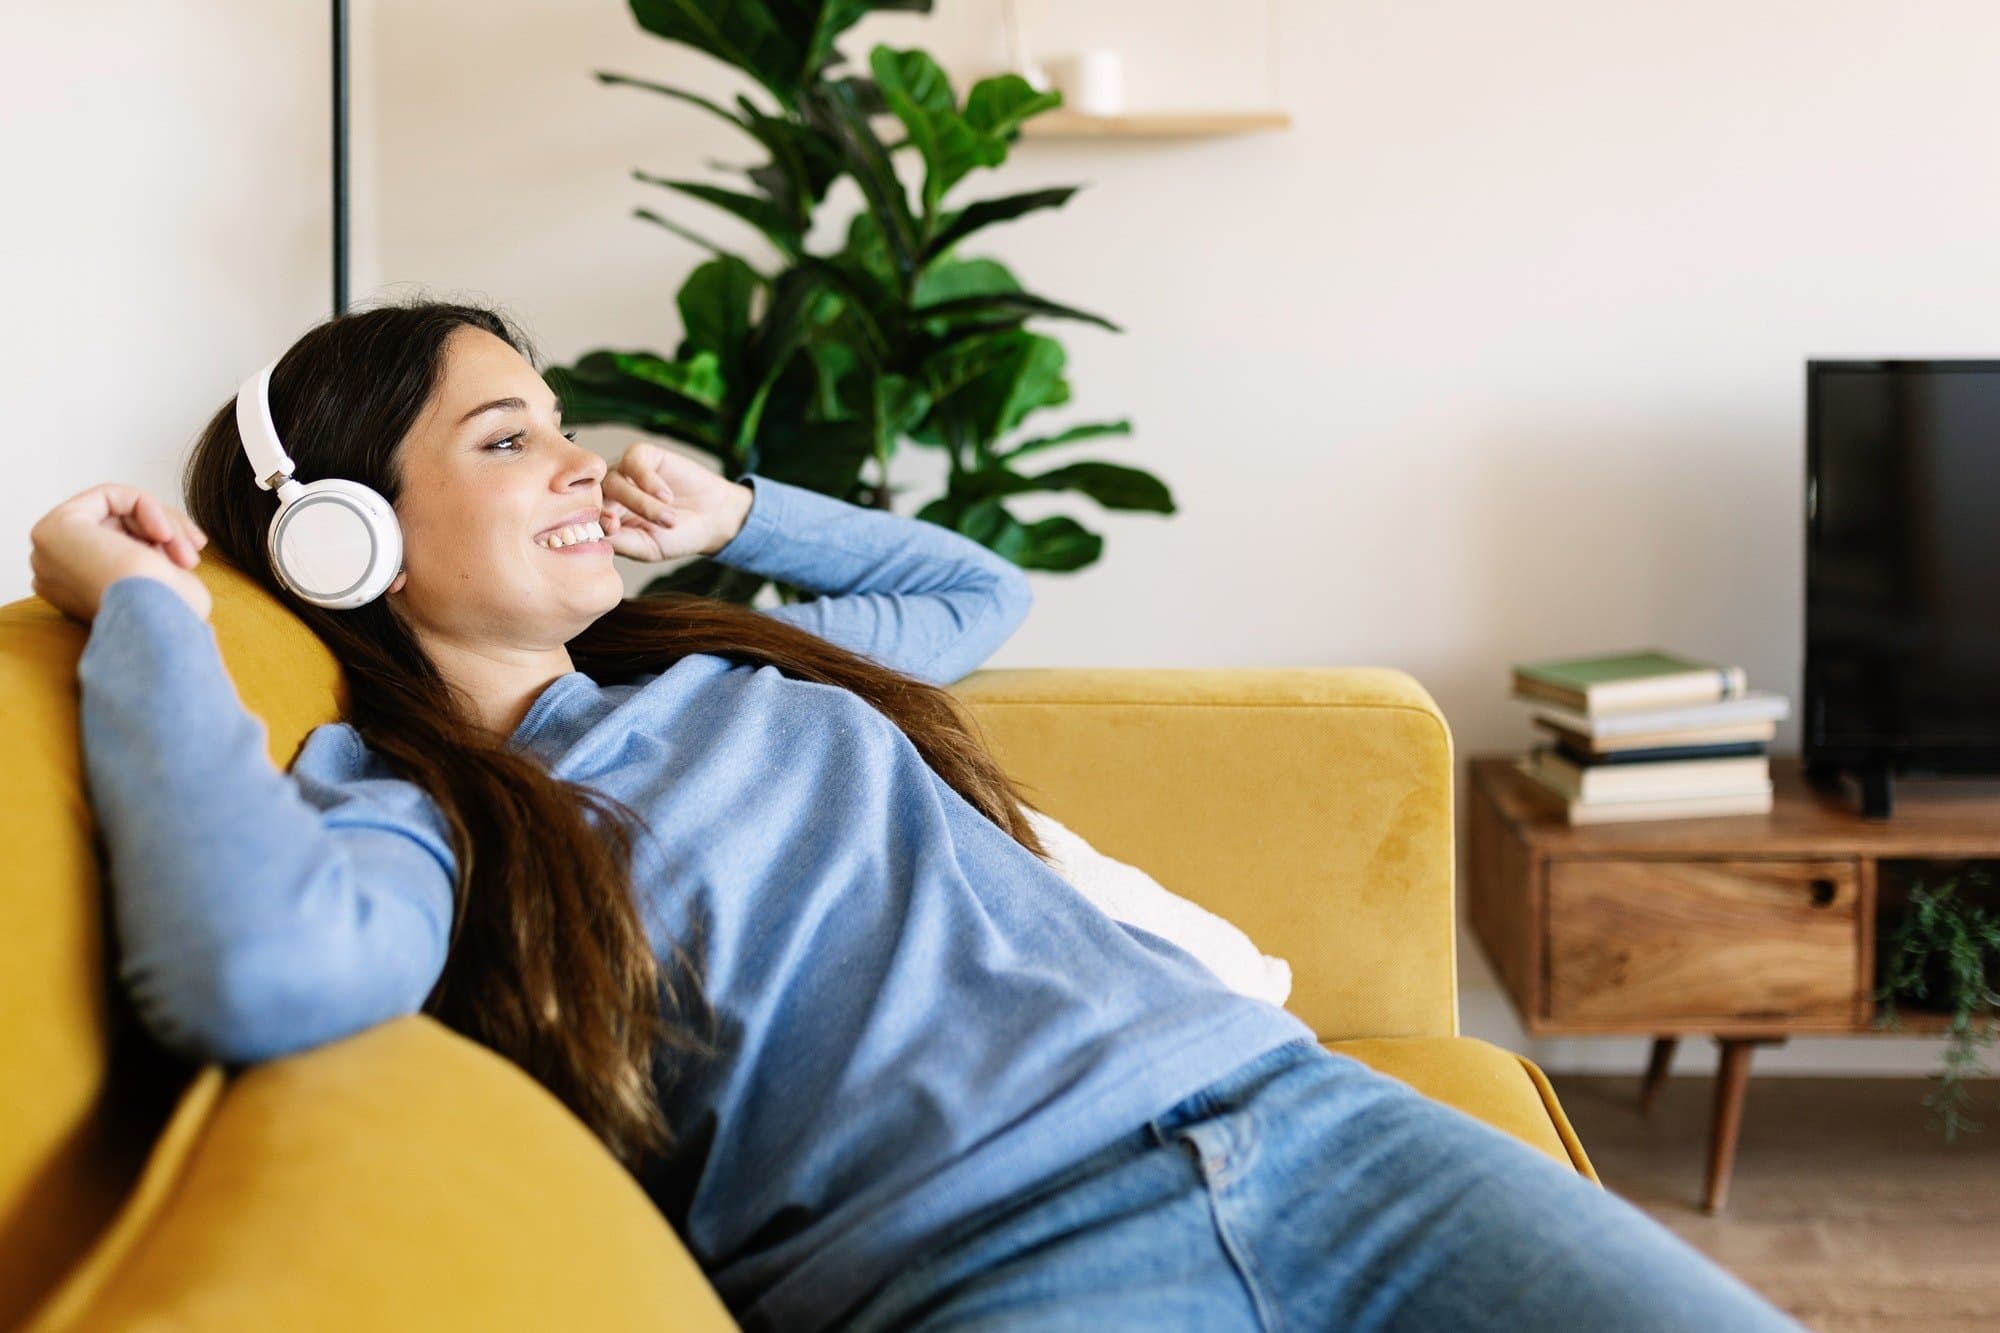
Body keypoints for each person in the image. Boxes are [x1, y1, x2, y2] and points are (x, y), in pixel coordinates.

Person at [29, 299, 1802, 1333]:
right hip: (1000, 1260)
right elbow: (252, 971)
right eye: (507, 441)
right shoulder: (418, 812)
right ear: (346, 535)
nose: (574, 459)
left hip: (1318, 1129)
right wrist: (148, 616)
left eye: (558, 423)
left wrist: (730, 511)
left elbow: (975, 594)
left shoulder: (701, 669)